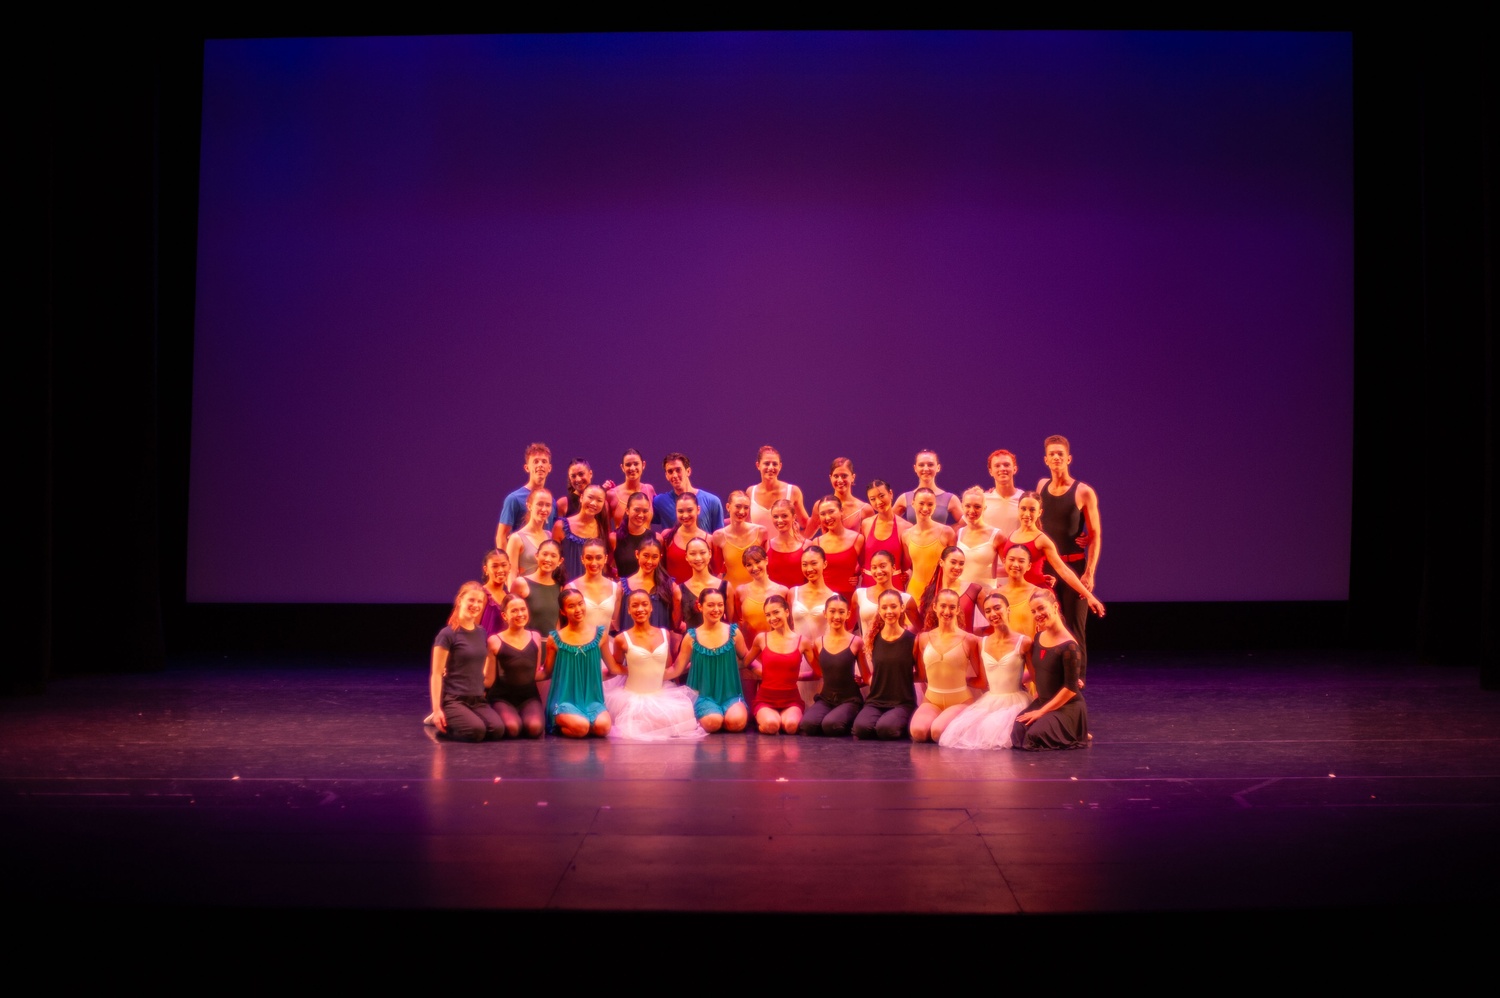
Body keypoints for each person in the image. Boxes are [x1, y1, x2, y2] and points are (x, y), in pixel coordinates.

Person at [1035, 435, 1102, 679]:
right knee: (1048, 624)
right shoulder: (1041, 486)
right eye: (1051, 454)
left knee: (1075, 627)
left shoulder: (1083, 492)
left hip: (1074, 566)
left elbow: (1095, 535)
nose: (1056, 458)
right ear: (1045, 459)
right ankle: (1051, 680)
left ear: (1068, 458)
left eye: (1060, 454)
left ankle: (1077, 681)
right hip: (1049, 568)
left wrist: (1089, 573)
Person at [603, 590, 705, 742]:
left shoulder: (664, 634)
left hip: (661, 694)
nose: (640, 609)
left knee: (678, 719)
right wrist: (636, 670)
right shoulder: (621, 639)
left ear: (651, 608)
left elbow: (668, 668)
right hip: (633, 698)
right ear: (629, 610)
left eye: (644, 604)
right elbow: (615, 667)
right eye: (635, 605)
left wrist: (687, 665)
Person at [940, 592, 1032, 750]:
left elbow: (1035, 674)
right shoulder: (982, 643)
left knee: (996, 730)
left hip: (1015, 702)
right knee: (964, 731)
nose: (993, 614)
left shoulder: (1024, 642)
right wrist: (959, 680)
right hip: (991, 700)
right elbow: (983, 681)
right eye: (988, 611)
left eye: (997, 608)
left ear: (1008, 609)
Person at [1002, 491, 1106, 626]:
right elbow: (1009, 568)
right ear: (1018, 509)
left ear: (1040, 512)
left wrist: (1089, 596)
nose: (1027, 514)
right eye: (1023, 509)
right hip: (1016, 596)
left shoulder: (1042, 540)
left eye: (1032, 510)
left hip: (1037, 599)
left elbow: (1064, 570)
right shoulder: (1012, 535)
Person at [1013, 589, 1088, 750]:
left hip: (1067, 707)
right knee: (1018, 731)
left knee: (1033, 737)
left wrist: (1040, 712)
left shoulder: (1070, 646)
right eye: (1033, 611)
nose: (1037, 614)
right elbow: (1042, 670)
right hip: (1044, 701)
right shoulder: (1039, 636)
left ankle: (1075, 730)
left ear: (1055, 607)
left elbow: (1071, 689)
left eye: (1041, 608)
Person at [428, 582, 502, 741]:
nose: (476, 605)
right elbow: (436, 674)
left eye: (479, 601)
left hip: (477, 699)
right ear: (460, 600)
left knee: (497, 730)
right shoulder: (447, 634)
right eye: (471, 600)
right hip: (454, 698)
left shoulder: (481, 632)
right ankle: (445, 724)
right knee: (476, 732)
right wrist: (437, 709)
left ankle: (465, 719)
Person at [909, 589, 984, 743]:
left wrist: (963, 681)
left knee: (937, 732)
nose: (947, 611)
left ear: (958, 609)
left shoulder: (969, 640)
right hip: (931, 701)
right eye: (943, 606)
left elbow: (982, 680)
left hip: (960, 700)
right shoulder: (922, 639)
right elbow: (922, 676)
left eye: (951, 607)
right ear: (935, 607)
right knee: (918, 732)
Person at [673, 589, 751, 734]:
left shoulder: (733, 633)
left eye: (720, 605)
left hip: (731, 694)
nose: (716, 609)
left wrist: (767, 670)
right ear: (700, 606)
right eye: (711, 605)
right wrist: (655, 675)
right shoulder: (691, 637)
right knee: (713, 723)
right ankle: (712, 715)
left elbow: (747, 658)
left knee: (737, 723)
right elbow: (677, 668)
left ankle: (724, 714)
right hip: (703, 695)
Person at [542, 588, 615, 738]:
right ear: (563, 611)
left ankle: (583, 723)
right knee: (581, 728)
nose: (578, 609)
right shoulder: (555, 639)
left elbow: (612, 668)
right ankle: (559, 725)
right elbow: (547, 671)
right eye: (571, 606)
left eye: (580, 604)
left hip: (591, 700)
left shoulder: (600, 635)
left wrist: (633, 669)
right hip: (565, 700)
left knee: (603, 727)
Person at [853, 589, 920, 741]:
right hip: (876, 700)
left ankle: (903, 719)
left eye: (893, 606)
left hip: (902, 702)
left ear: (902, 608)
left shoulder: (913, 640)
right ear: (879, 610)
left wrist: (899, 678)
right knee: (861, 729)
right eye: (884, 607)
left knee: (886, 730)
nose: (889, 611)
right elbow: (870, 673)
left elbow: (921, 674)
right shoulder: (873, 639)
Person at [745, 595, 817, 734]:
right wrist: (760, 671)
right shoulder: (761, 639)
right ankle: (766, 721)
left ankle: (780, 720)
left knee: (791, 727)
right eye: (768, 615)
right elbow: (746, 662)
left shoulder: (802, 641)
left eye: (776, 612)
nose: (772, 618)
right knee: (772, 726)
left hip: (791, 700)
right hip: (765, 699)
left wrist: (796, 676)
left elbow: (818, 673)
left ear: (787, 612)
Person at [801, 594, 870, 738]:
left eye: (841, 612)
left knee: (831, 726)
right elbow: (820, 672)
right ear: (825, 614)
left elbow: (866, 676)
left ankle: (850, 716)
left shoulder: (856, 642)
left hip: (849, 699)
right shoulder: (819, 642)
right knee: (807, 724)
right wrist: (795, 676)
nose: (836, 616)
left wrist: (861, 682)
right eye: (832, 611)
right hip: (826, 699)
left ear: (848, 614)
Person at [732, 544, 788, 706]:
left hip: (773, 655)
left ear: (766, 560)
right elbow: (738, 622)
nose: (754, 568)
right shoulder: (740, 591)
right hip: (749, 655)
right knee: (749, 711)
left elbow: (788, 626)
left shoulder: (782, 591)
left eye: (757, 562)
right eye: (749, 565)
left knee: (772, 706)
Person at [485, 594, 546, 738]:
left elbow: (535, 673)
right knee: (513, 728)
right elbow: (489, 679)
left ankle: (524, 716)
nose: (520, 614)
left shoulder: (535, 637)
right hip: (502, 698)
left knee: (535, 728)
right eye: (514, 611)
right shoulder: (495, 641)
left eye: (523, 609)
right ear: (505, 616)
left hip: (528, 697)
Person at [496, 443, 556, 549]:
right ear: (527, 467)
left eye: (544, 461)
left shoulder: (552, 502)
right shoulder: (514, 499)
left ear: (549, 468)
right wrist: (507, 563)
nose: (540, 465)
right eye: (535, 461)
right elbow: (502, 536)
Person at [916, 546, 987, 635]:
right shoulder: (931, 591)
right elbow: (922, 624)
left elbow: (993, 619)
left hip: (965, 646)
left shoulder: (974, 590)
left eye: (961, 564)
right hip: (937, 646)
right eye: (953, 562)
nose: (957, 567)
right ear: (941, 562)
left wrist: (976, 635)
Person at [902, 487, 956, 601]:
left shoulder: (947, 533)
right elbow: (907, 566)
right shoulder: (906, 535)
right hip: (914, 592)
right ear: (913, 503)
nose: (925, 508)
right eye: (921, 503)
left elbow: (954, 566)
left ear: (935, 505)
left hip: (939, 592)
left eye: (930, 504)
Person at [616, 537, 680, 631]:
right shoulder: (622, 586)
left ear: (660, 557)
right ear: (637, 554)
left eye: (654, 557)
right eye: (646, 556)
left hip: (658, 643)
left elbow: (675, 623)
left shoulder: (669, 586)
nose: (649, 561)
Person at [854, 549, 918, 642]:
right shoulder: (860, 594)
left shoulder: (905, 599)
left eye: (883, 566)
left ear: (893, 568)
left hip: (896, 652)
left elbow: (921, 629)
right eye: (874, 567)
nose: (878, 571)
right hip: (868, 654)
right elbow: (848, 626)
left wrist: (906, 635)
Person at [652, 452, 725, 532]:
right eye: (670, 471)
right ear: (666, 476)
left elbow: (719, 537)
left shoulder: (712, 501)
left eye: (678, 470)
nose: (675, 475)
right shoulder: (660, 502)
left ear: (688, 471)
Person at [807, 495, 863, 600]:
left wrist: (857, 576)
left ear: (841, 511)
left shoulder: (858, 539)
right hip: (822, 600)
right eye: (822, 514)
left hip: (848, 599)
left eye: (831, 512)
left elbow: (866, 567)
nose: (827, 517)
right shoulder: (816, 542)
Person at [859, 479, 910, 590]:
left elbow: (906, 564)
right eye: (873, 499)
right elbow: (862, 558)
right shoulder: (866, 524)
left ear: (890, 494)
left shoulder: (905, 527)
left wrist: (904, 574)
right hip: (869, 583)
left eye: (881, 496)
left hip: (894, 584)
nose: (878, 502)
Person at [555, 484, 613, 582]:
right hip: (568, 588)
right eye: (590, 497)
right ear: (581, 498)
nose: (593, 503)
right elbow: (555, 561)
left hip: (595, 588)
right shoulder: (561, 526)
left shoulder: (602, 528)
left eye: (599, 500)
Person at [711, 490, 768, 589]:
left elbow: (767, 566)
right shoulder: (718, 536)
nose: (742, 511)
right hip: (731, 593)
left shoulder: (761, 532)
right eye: (738, 506)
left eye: (746, 508)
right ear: (728, 507)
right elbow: (716, 570)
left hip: (757, 591)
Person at [747, 445, 810, 533]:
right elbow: (744, 524)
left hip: (786, 547)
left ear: (780, 466)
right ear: (758, 465)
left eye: (775, 464)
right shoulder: (750, 492)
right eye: (766, 463)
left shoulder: (793, 491)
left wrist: (800, 542)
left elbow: (806, 525)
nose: (771, 468)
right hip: (759, 547)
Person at [565, 538, 621, 633]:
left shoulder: (616, 589)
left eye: (598, 558)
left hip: (605, 645)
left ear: (605, 558)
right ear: (582, 559)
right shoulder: (570, 588)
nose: (594, 563)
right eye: (589, 558)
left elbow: (615, 625)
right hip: (579, 645)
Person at [893, 449, 963, 525]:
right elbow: (888, 521)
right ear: (915, 468)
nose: (926, 469)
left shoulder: (951, 499)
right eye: (921, 465)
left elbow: (966, 523)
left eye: (930, 465)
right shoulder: (905, 498)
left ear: (938, 467)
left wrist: (948, 532)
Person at [679, 535, 734, 630]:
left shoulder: (726, 586)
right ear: (686, 557)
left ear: (710, 554)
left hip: (720, 641)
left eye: (702, 553)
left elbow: (731, 622)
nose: (698, 558)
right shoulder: (679, 590)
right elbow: (676, 625)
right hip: (691, 643)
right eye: (692, 554)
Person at [955, 486, 1004, 588]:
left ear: (984, 508)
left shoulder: (997, 536)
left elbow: (1010, 567)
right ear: (962, 507)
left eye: (977, 507)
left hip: (986, 595)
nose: (972, 511)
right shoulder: (958, 534)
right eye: (968, 506)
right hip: (961, 595)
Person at [660, 492, 713, 584]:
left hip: (701, 594)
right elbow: (661, 569)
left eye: (689, 510)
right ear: (676, 512)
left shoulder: (709, 539)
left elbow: (715, 573)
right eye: (680, 511)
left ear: (698, 510)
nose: (685, 515)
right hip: (672, 595)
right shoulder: (667, 536)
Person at [478, 548, 529, 636]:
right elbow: (470, 629)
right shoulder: (480, 594)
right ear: (486, 569)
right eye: (495, 566)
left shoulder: (509, 596)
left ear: (509, 567)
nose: (500, 570)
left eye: (504, 565)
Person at [506, 488, 554, 582]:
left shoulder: (550, 536)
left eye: (548, 505)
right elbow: (511, 576)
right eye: (539, 504)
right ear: (529, 506)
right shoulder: (516, 539)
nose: (544, 509)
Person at [521, 539, 566, 635]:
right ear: (536, 556)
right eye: (544, 554)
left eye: (553, 556)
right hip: (528, 646)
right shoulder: (521, 583)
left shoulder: (560, 587)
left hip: (550, 646)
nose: (548, 559)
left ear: (560, 561)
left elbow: (556, 622)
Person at [606, 448, 657, 529]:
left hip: (647, 541)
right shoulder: (612, 494)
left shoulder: (649, 490)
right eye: (628, 465)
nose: (632, 468)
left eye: (636, 464)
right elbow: (604, 527)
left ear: (643, 465)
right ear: (622, 467)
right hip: (621, 541)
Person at [611, 491, 657, 579]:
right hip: (626, 591)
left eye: (645, 511)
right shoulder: (614, 538)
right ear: (627, 510)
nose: (641, 515)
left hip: (650, 591)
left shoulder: (656, 538)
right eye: (636, 510)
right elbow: (605, 566)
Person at [764, 498, 807, 589]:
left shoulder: (807, 546)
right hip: (774, 601)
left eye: (784, 516)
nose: (779, 520)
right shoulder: (766, 545)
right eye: (775, 517)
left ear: (794, 517)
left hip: (799, 601)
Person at [981, 449, 1022, 536]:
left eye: (1006, 465)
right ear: (990, 471)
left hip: (1017, 549)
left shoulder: (1024, 499)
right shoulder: (982, 500)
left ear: (1015, 469)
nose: (1002, 468)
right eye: (997, 466)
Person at [828, 457, 874, 531]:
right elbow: (807, 533)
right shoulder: (821, 507)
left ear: (853, 477)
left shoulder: (865, 510)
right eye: (836, 476)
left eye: (844, 476)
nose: (840, 480)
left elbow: (871, 540)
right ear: (830, 478)